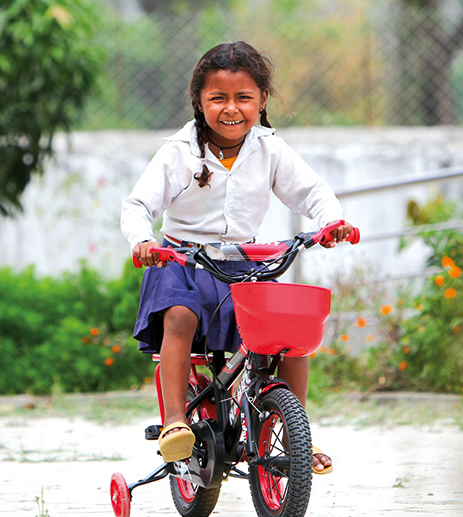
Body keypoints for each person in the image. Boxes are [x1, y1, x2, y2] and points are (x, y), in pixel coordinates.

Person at [120, 41, 352, 474]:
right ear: (199, 101)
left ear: (262, 100)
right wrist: (142, 241)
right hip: (183, 264)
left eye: (243, 97)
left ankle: (294, 433)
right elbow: (138, 206)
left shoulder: (270, 150)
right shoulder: (179, 151)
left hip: (246, 266)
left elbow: (312, 192)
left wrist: (331, 221)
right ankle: (174, 422)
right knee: (180, 318)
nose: (231, 109)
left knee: (292, 332)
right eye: (218, 98)